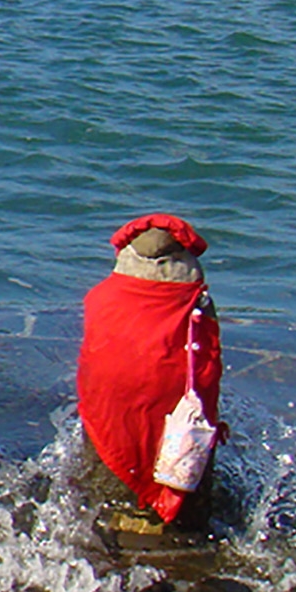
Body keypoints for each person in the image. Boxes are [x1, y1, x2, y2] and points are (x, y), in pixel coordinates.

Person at [76, 213, 224, 546]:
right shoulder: (194, 304)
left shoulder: (101, 299)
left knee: (106, 459)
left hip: (110, 416)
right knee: (183, 469)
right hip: (178, 427)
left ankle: (109, 519)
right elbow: (206, 368)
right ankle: (177, 522)